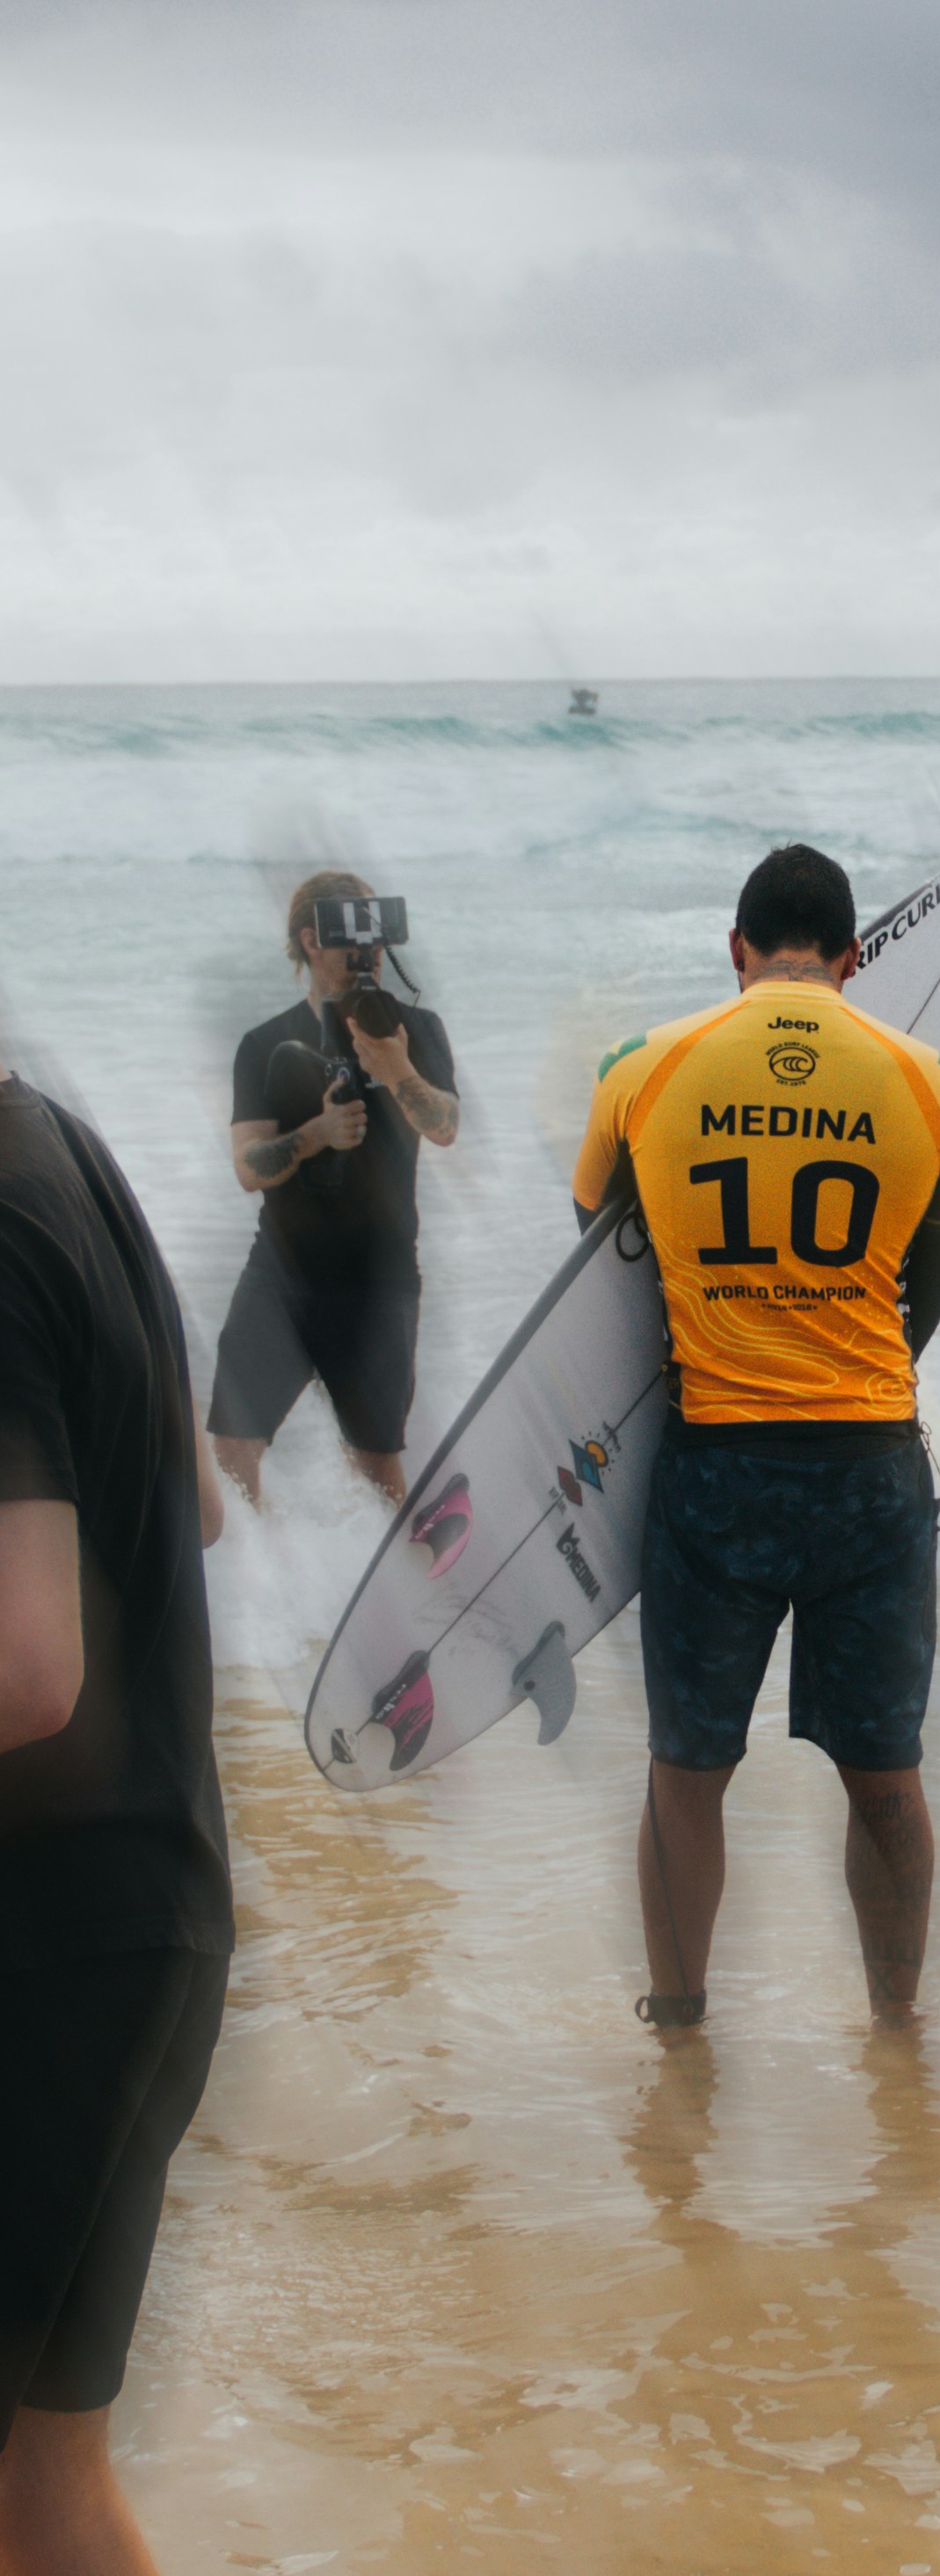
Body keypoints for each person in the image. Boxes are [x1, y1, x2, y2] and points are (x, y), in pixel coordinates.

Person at [572, 844, 940, 2030]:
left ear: (735, 951)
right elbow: (926, 1295)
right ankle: (895, 2023)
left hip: (714, 1468)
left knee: (685, 1773)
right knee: (886, 1774)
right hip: (872, 1467)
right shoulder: (935, 1085)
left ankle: (680, 2018)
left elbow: (608, 1258)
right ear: (854, 960)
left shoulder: (642, 1069)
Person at [0, 1064, 230, 2575]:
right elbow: (198, 1497)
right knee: (45, 2490)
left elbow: (27, 1669)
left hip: (42, 1964)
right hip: (145, 1925)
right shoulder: (54, 1146)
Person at [208, 868, 459, 1507]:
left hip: (379, 1279)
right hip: (283, 1274)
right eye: (349, 931)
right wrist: (314, 1135)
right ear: (309, 940)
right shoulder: (265, 1044)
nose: (366, 946)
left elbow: (446, 1126)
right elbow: (246, 1166)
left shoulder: (417, 1030)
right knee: (233, 1451)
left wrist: (395, 1066)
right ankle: (277, 1600)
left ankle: (401, 1596)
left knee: (375, 1468)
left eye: (375, 929)